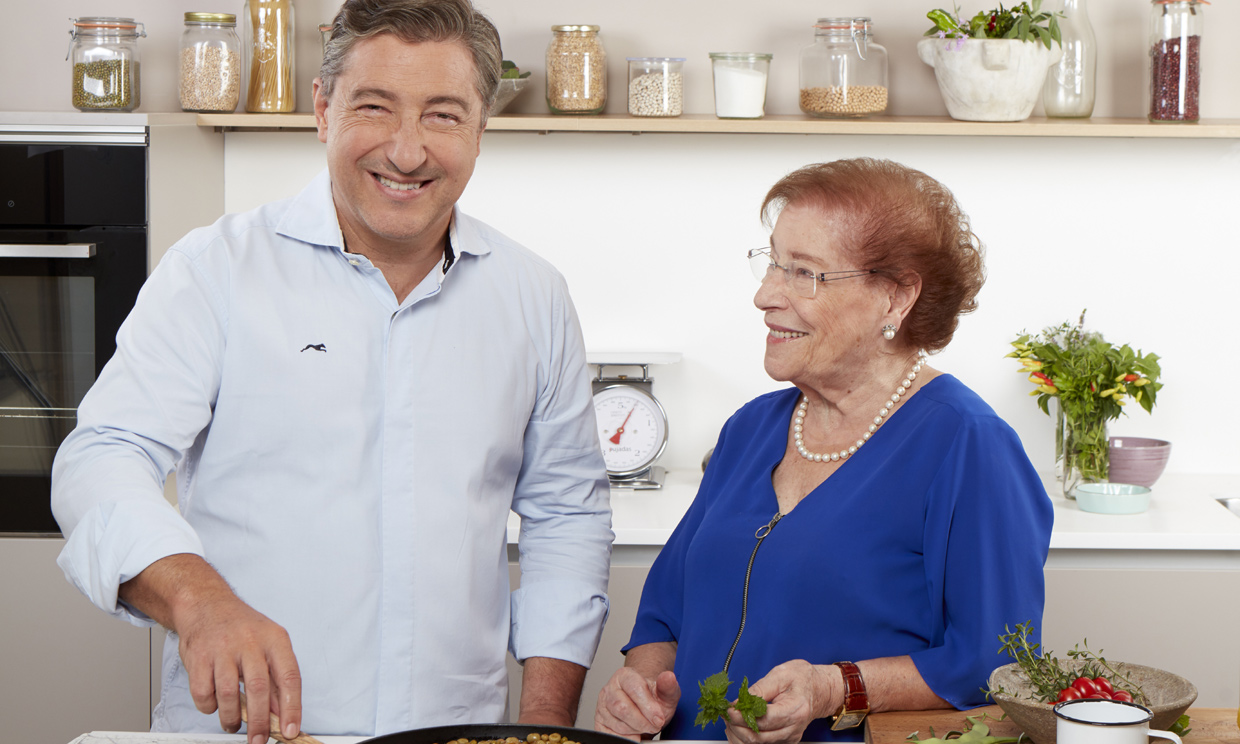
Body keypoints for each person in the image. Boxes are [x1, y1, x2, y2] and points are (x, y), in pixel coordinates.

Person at [50, 1, 613, 742]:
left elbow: (567, 514)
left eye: (443, 115)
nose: (407, 151)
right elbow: (101, 458)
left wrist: (543, 728)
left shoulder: (532, 295)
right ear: (323, 109)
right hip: (241, 730)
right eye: (374, 107)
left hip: (450, 730)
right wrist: (199, 601)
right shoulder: (216, 270)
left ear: (482, 128)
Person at [594, 158, 1053, 743]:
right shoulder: (751, 428)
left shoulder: (969, 447)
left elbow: (995, 666)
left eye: (804, 273)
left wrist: (832, 689)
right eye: (773, 263)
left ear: (896, 297)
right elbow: (666, 609)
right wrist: (638, 684)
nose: (765, 296)